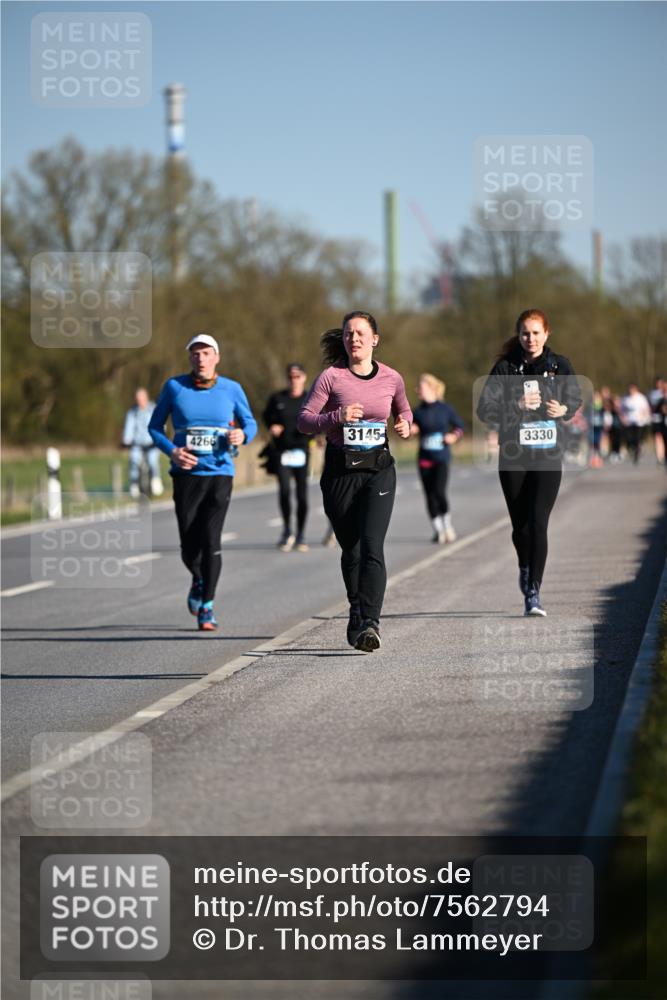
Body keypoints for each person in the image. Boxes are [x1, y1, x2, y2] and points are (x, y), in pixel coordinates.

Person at [297, 311, 412, 651]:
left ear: (375, 339)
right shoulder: (331, 378)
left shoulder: (392, 378)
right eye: (349, 334)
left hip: (378, 469)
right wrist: (336, 416)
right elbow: (304, 421)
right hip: (340, 472)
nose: (354, 339)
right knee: (352, 549)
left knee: (373, 545)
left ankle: (371, 623)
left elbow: (404, 410)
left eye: (361, 333)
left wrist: (406, 424)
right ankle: (357, 609)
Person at [476, 309, 582, 617]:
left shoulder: (560, 366)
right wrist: (516, 404)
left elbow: (574, 400)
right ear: (518, 335)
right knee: (520, 527)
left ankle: (533, 592)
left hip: (548, 454)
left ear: (546, 333)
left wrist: (562, 408)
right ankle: (524, 565)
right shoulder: (506, 368)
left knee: (538, 522)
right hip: (514, 456)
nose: (530, 338)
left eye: (536, 332)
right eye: (525, 333)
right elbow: (485, 410)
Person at [149, 334, 257, 631]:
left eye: (206, 353)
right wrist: (173, 451)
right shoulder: (174, 387)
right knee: (188, 543)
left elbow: (250, 423)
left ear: (216, 357)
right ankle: (198, 578)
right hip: (186, 475)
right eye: (195, 353)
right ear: (190, 358)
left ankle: (207, 605)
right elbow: (154, 427)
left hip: (220, 473)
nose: (200, 358)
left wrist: (242, 435)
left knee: (211, 540)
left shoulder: (232, 389)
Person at [263, 363, 312, 551]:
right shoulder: (277, 398)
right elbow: (267, 416)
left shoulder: (310, 398)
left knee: (302, 495)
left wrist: (315, 437)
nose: (294, 380)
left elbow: (319, 420)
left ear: (304, 377)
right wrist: (273, 426)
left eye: (297, 376)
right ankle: (286, 530)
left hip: (302, 451)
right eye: (291, 376)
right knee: (284, 491)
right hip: (282, 451)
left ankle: (301, 534)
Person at [410, 373, 464, 543]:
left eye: (421, 387)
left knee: (439, 492)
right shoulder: (418, 411)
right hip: (425, 458)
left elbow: (459, 426)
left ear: (432, 389)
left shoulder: (445, 409)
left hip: (441, 457)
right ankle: (438, 530)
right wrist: (412, 429)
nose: (418, 390)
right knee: (429, 495)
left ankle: (447, 525)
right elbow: (412, 427)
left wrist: (453, 436)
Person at [122, 388, 164, 498]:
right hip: (137, 444)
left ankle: (156, 480)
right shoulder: (132, 412)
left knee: (152, 460)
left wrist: (159, 438)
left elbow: (160, 424)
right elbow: (129, 428)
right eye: (137, 399)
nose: (139, 401)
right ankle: (134, 484)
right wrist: (126, 441)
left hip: (152, 443)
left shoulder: (153, 409)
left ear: (146, 398)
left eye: (141, 399)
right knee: (134, 460)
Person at [619, 383, 651, 464]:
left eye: (632, 389)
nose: (631, 391)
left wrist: (644, 417)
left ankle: (637, 454)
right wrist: (623, 419)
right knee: (629, 439)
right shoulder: (625, 398)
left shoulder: (641, 398)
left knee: (637, 439)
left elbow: (647, 409)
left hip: (639, 422)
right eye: (630, 389)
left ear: (636, 389)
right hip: (629, 422)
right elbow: (621, 410)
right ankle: (633, 449)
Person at [648, 377, 666, 465]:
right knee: (658, 437)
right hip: (658, 420)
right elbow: (651, 408)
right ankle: (660, 456)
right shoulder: (653, 394)